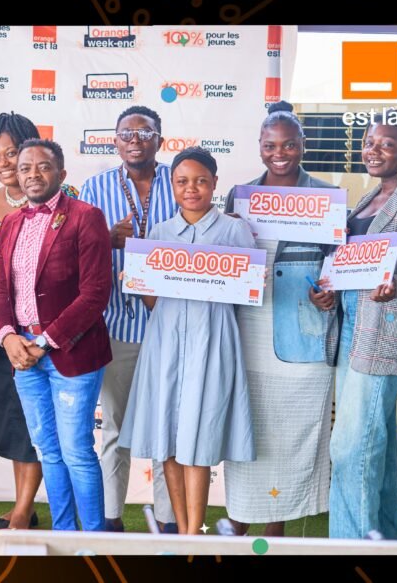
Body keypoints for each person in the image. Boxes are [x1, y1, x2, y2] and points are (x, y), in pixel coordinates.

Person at [310, 109, 397, 539]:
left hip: (389, 336)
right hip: (353, 328)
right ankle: (388, 543)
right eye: (369, 142)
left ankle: (351, 547)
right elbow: (352, 267)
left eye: (387, 144)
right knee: (374, 450)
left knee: (351, 449)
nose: (374, 150)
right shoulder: (367, 198)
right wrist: (328, 291)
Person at [118, 147, 256, 535]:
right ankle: (181, 530)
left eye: (200, 181)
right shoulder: (160, 233)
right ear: (172, 185)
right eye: (182, 181)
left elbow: (247, 294)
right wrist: (136, 280)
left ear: (215, 183)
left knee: (198, 437)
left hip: (212, 339)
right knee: (167, 436)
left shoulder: (234, 230)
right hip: (164, 343)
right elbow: (152, 301)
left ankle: (196, 532)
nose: (191, 189)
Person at [222, 101, 337, 537]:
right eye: (271, 145)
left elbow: (338, 263)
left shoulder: (326, 197)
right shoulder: (239, 195)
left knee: (292, 437)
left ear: (302, 145)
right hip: (248, 331)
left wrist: (330, 293)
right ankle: (237, 518)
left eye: (289, 144)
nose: (280, 153)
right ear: (259, 146)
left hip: (302, 333)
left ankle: (276, 527)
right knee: (248, 431)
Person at [0, 112, 80, 531]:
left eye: (12, 153)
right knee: (12, 418)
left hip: (49, 332)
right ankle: (23, 507)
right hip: (1, 330)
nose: (4, 163)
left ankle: (26, 511)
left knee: (40, 419)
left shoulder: (67, 197)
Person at [0, 139, 113, 532]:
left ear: (61, 173)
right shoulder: (10, 223)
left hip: (71, 353)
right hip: (23, 355)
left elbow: (95, 294)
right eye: (25, 168)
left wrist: (44, 342)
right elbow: (1, 290)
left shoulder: (85, 216)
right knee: (48, 450)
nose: (33, 174)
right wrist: (8, 337)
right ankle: (64, 535)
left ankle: (93, 540)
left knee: (76, 450)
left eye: (42, 167)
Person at [78, 105, 177, 533]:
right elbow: (76, 248)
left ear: (160, 139)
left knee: (168, 428)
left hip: (172, 324)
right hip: (116, 324)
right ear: (115, 141)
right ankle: (110, 519)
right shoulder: (95, 187)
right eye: (126, 133)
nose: (135, 140)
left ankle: (170, 521)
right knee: (114, 427)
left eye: (145, 132)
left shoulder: (181, 180)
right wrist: (105, 239)